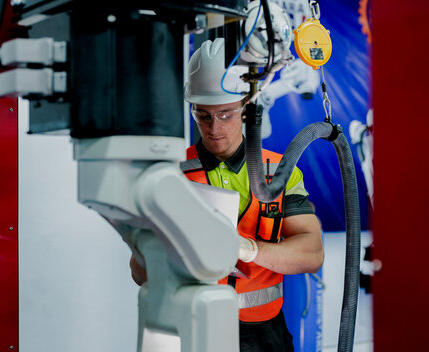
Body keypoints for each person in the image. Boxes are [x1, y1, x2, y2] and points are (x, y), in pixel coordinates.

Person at [130, 38, 323, 352]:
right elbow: (139, 274)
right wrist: (148, 246)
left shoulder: (279, 170)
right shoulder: (169, 172)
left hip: (262, 334)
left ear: (247, 108)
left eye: (225, 114)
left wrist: (248, 250)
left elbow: (312, 253)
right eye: (203, 115)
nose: (214, 127)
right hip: (188, 329)